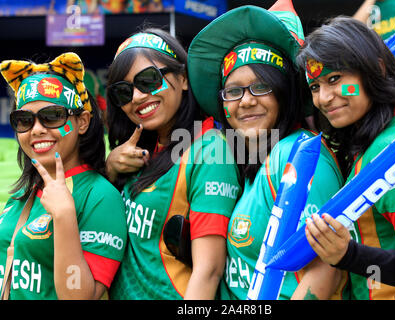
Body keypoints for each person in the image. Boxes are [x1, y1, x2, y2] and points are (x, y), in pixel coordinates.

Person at [188, 0, 347, 300]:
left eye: (261, 87)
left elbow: (325, 271)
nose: (245, 101)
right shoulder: (251, 160)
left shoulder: (300, 155)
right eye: (233, 91)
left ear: (284, 94)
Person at [298, 16, 395, 300]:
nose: (325, 98)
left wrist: (346, 254)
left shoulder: (388, 151)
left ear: (376, 70)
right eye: (315, 87)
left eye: (334, 79)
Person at [105, 27, 241, 300]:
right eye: (124, 91)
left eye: (149, 80)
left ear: (184, 79)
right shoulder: (140, 149)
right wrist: (109, 169)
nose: (137, 97)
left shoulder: (209, 150)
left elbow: (209, 270)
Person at [0, 52, 127, 300]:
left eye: (52, 116)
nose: (36, 130)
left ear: (82, 122)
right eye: (24, 120)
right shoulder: (22, 194)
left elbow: (80, 297)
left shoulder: (101, 197)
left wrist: (65, 216)